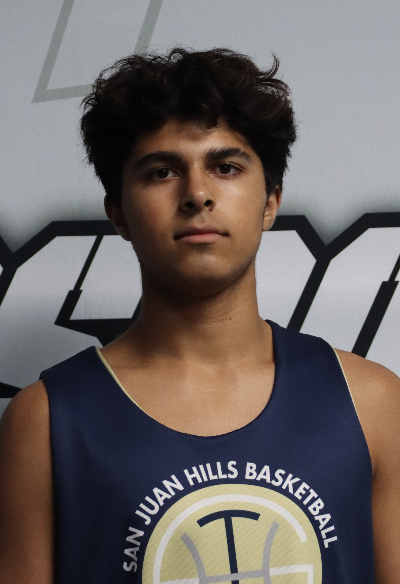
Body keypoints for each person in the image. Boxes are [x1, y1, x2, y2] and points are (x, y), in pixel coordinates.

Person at [0, 48, 399, 584]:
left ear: (271, 201)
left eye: (226, 167)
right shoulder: (46, 420)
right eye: (161, 171)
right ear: (118, 213)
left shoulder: (371, 401)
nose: (197, 194)